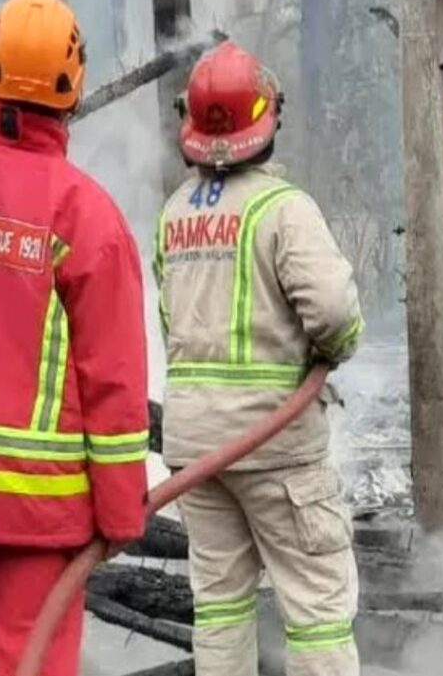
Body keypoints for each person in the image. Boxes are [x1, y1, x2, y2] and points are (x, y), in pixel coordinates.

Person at [0, 0, 150, 676]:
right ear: (74, 88)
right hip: (37, 505)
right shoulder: (87, 216)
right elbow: (115, 380)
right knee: (34, 666)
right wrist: (121, 509)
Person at [154, 41, 364, 676]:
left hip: (197, 449)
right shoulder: (284, 210)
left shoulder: (172, 215)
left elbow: (170, 320)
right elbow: (334, 315)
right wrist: (334, 349)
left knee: (218, 604)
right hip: (274, 444)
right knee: (317, 600)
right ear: (267, 122)